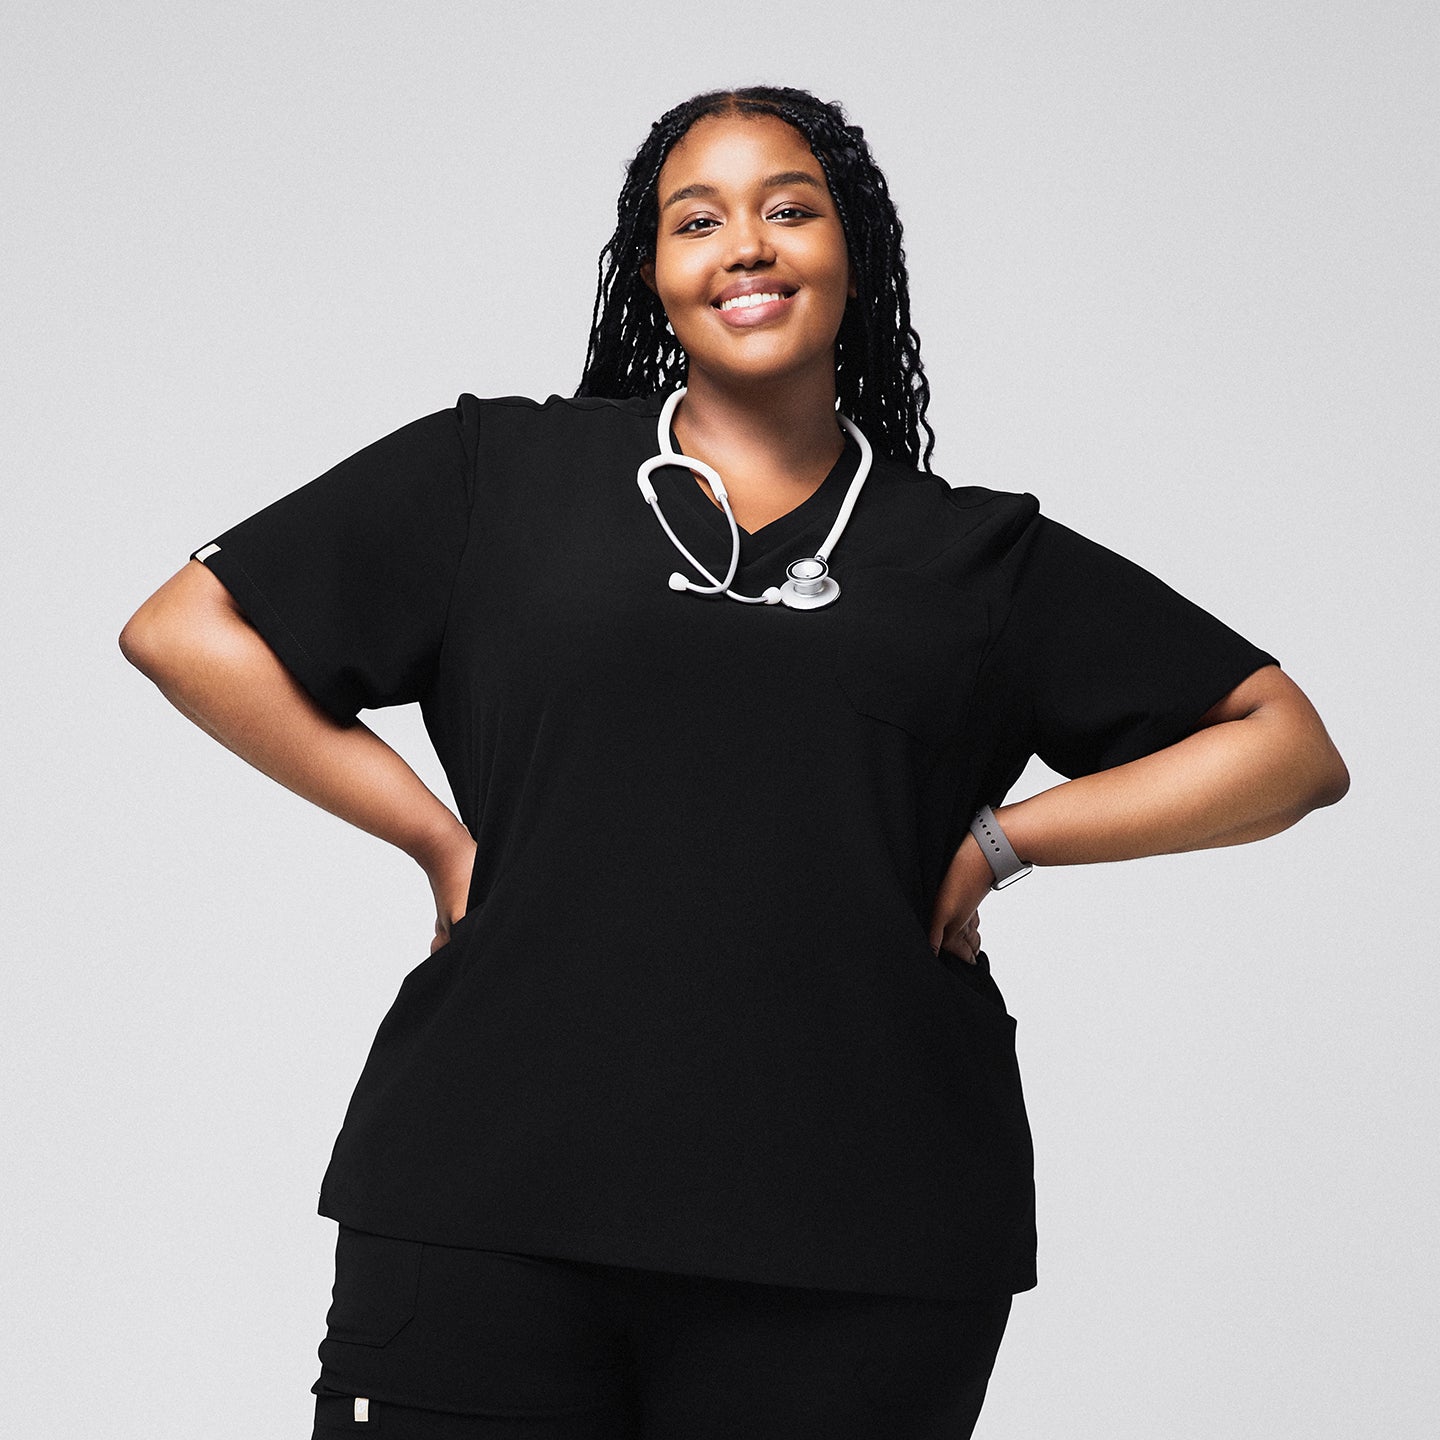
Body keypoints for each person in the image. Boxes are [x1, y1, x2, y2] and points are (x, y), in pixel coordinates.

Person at [118, 85, 1349, 1440]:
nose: (745, 245)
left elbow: (1285, 746)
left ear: (853, 253)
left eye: (789, 209)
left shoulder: (972, 559)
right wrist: (434, 836)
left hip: (862, 1235)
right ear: (653, 274)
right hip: (488, 1200)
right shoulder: (501, 476)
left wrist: (1012, 840)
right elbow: (186, 628)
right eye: (696, 219)